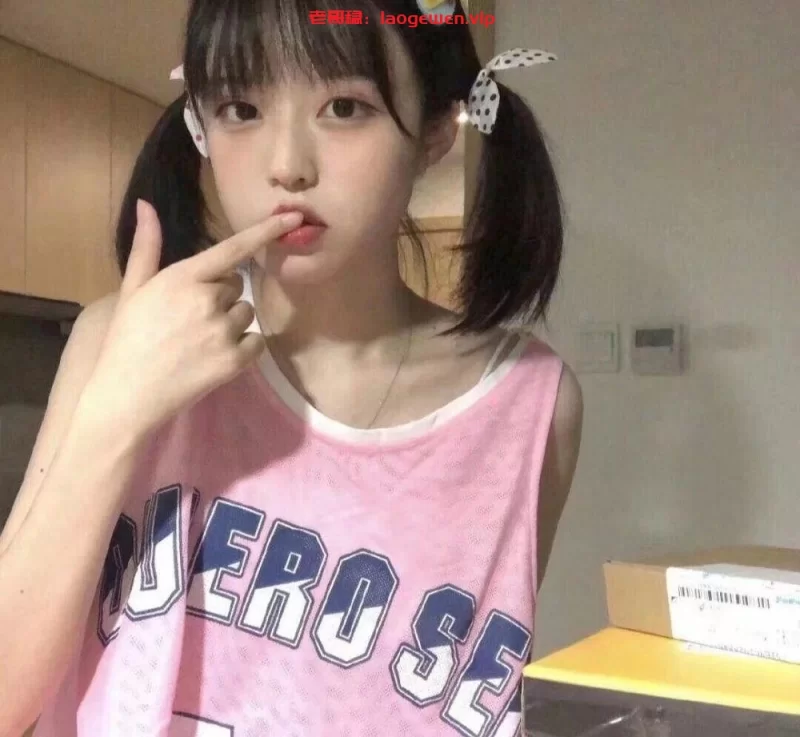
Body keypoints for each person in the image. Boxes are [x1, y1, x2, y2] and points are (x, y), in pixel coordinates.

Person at [0, 0, 583, 735]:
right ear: (201, 127)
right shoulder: (117, 341)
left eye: (345, 107)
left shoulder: (529, 406)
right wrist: (116, 413)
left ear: (438, 129)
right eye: (241, 110)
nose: (286, 166)